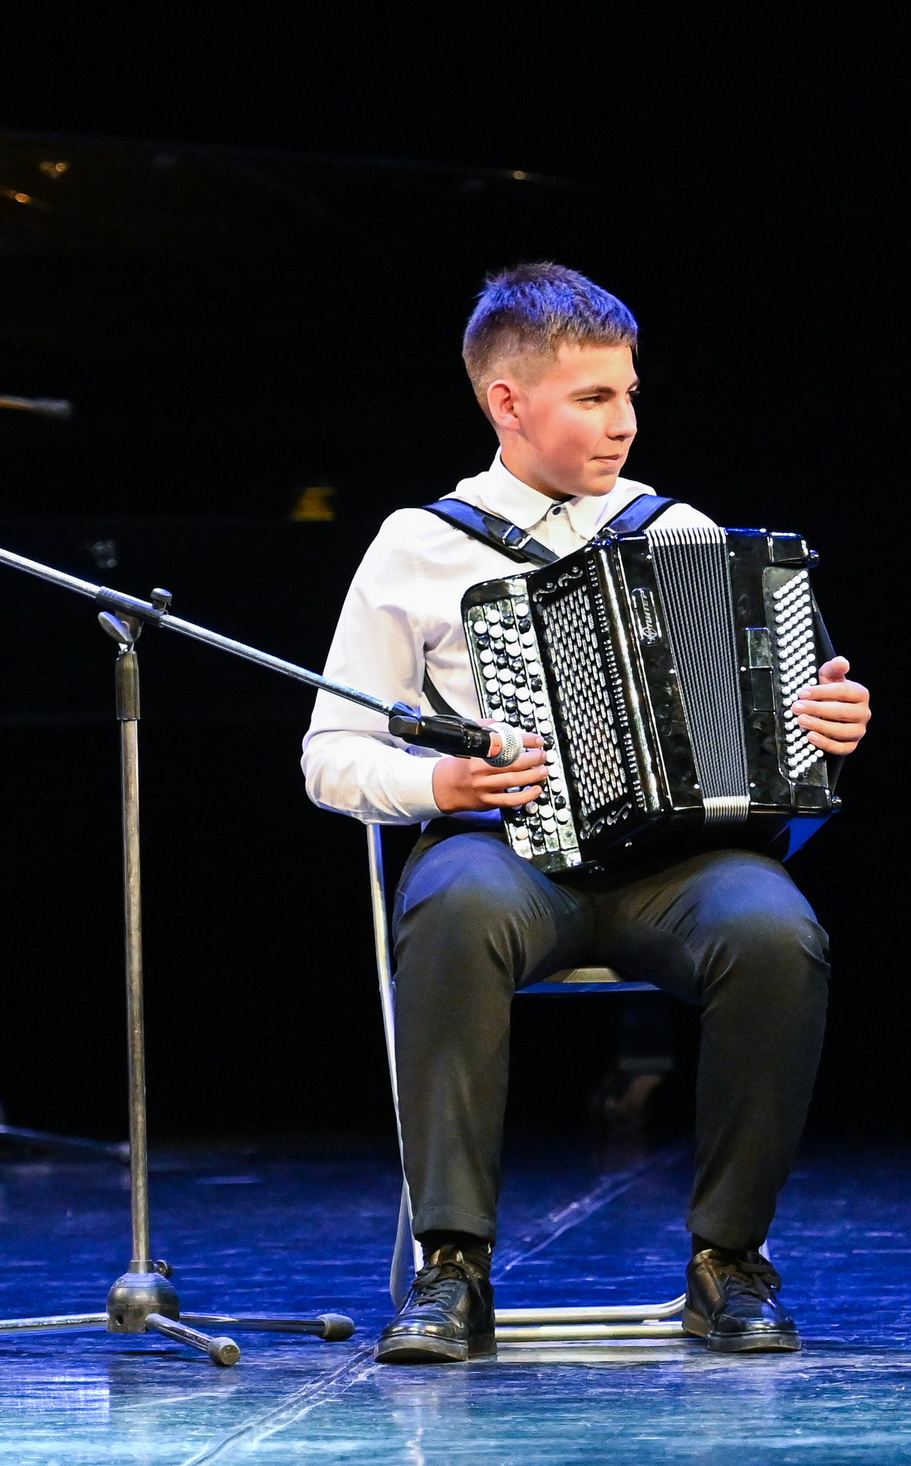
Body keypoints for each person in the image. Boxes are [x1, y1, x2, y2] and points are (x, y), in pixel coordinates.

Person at [302, 263, 872, 1364]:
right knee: (454, 912)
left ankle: (728, 1261)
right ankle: (453, 1265)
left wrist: (822, 730)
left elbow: (769, 751)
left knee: (776, 932)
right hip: (500, 854)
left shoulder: (681, 529)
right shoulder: (420, 544)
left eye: (628, 393)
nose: (624, 422)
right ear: (506, 402)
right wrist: (440, 786)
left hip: (675, 865)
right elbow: (329, 753)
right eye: (592, 398)